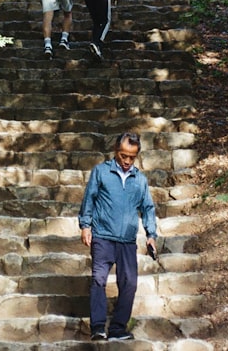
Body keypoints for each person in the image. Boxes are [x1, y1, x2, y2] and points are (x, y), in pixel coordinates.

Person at [78, 132, 158, 342]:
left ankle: (118, 328)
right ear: (116, 151)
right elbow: (89, 199)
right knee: (98, 279)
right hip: (103, 236)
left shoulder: (140, 179)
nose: (127, 161)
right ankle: (97, 328)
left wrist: (151, 235)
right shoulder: (101, 172)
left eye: (132, 157)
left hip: (127, 241)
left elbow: (148, 208)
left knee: (130, 282)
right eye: (124, 156)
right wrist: (85, 226)